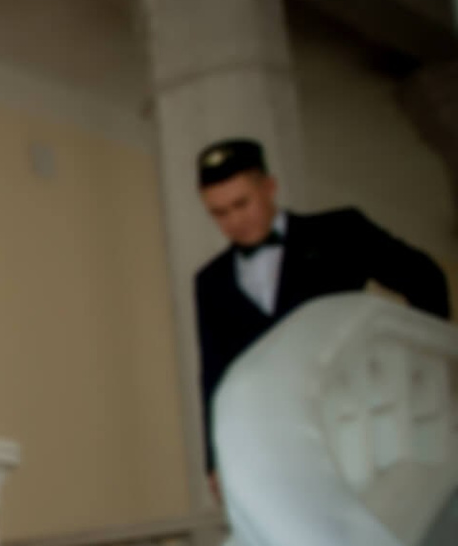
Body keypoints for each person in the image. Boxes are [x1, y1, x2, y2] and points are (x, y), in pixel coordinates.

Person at [193, 138, 450, 499]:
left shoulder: (340, 231)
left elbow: (425, 279)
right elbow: (215, 372)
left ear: (269, 187)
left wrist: (422, 366)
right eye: (219, 213)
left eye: (241, 204)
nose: (234, 221)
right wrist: (216, 457)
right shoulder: (210, 281)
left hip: (360, 419)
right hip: (279, 437)